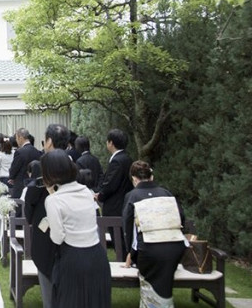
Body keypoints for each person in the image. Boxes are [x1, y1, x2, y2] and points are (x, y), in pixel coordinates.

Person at [43, 149, 111, 308]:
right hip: (97, 256)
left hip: (73, 259)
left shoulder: (53, 200)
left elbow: (57, 237)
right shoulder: (87, 192)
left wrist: (52, 194)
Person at [123, 161, 186, 308]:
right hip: (175, 246)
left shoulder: (132, 196)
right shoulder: (166, 193)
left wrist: (131, 253)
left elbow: (128, 226)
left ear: (134, 179)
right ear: (151, 177)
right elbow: (181, 217)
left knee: (150, 290)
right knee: (162, 289)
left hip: (149, 249)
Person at [23, 123, 69, 308]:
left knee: (47, 272)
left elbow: (31, 200)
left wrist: (31, 218)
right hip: (69, 228)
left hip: (46, 227)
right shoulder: (72, 163)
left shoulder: (43, 164)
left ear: (49, 141)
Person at [95, 128, 133, 216]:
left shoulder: (116, 161)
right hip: (125, 203)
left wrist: (100, 195)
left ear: (111, 143)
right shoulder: (128, 158)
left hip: (115, 205)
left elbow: (110, 184)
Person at [8, 128, 42, 198]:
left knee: (19, 207)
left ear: (20, 138)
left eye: (16, 138)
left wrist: (11, 177)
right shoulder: (37, 151)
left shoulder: (19, 152)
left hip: (20, 185)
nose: (16, 140)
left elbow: (14, 168)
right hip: (35, 185)